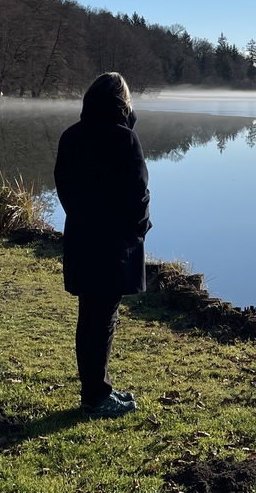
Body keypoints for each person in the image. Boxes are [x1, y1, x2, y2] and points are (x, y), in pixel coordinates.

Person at [54, 72, 152, 418]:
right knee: (102, 319)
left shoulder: (71, 137)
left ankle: (97, 389)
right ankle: (96, 396)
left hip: (82, 238)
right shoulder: (124, 139)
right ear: (123, 102)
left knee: (90, 317)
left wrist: (82, 217)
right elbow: (138, 195)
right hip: (113, 247)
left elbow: (62, 187)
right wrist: (140, 229)